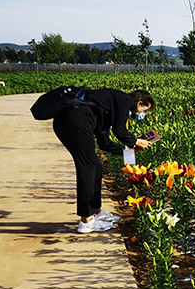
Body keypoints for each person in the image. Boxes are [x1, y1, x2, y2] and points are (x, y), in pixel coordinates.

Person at [52, 89, 155, 233]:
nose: (144, 114)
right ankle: (86, 221)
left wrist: (128, 149)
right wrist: (136, 141)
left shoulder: (108, 110)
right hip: (75, 123)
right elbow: (120, 131)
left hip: (71, 124)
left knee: (96, 167)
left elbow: (104, 144)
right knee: (87, 169)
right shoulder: (124, 100)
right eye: (145, 110)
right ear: (139, 103)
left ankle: (96, 212)